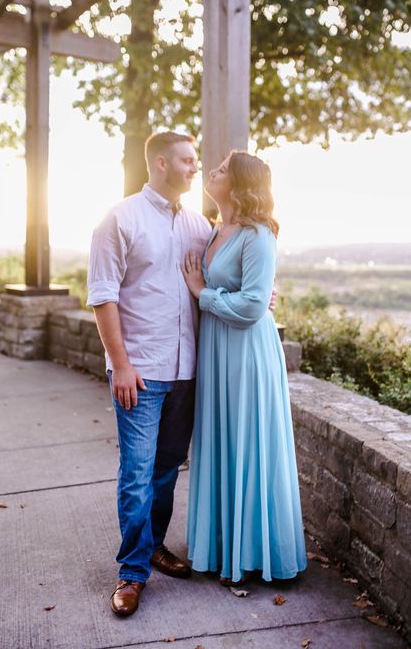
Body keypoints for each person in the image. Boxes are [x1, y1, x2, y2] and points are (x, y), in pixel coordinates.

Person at [87, 131, 212, 616]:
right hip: (140, 370)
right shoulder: (119, 219)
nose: (194, 167)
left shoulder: (199, 223)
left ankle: (155, 546)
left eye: (195, 160)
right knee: (137, 474)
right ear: (160, 163)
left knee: (165, 470)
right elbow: (103, 295)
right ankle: (132, 572)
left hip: (187, 370)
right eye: (186, 160)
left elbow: (227, 270)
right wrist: (120, 363)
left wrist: (262, 295)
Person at [181, 151, 307, 586]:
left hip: (246, 353)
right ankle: (221, 546)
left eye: (220, 170)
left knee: (248, 440)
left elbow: (254, 305)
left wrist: (203, 293)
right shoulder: (216, 229)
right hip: (217, 350)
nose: (211, 172)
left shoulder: (258, 235)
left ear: (238, 184)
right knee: (222, 439)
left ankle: (254, 551)